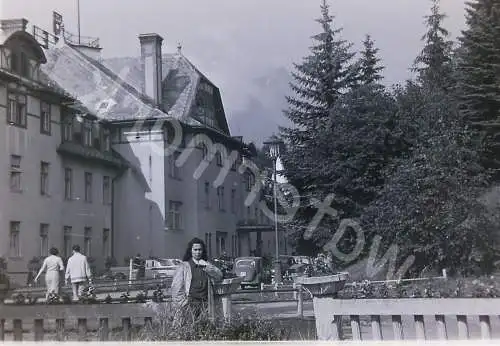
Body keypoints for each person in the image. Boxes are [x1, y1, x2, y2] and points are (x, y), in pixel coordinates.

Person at [171, 237, 223, 320]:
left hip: (205, 303)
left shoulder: (206, 265)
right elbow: (176, 288)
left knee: (204, 328)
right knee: (190, 329)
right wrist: (183, 303)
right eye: (195, 250)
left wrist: (207, 266)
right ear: (190, 251)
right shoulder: (184, 266)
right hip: (190, 304)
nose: (198, 252)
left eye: (200, 250)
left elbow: (219, 275)